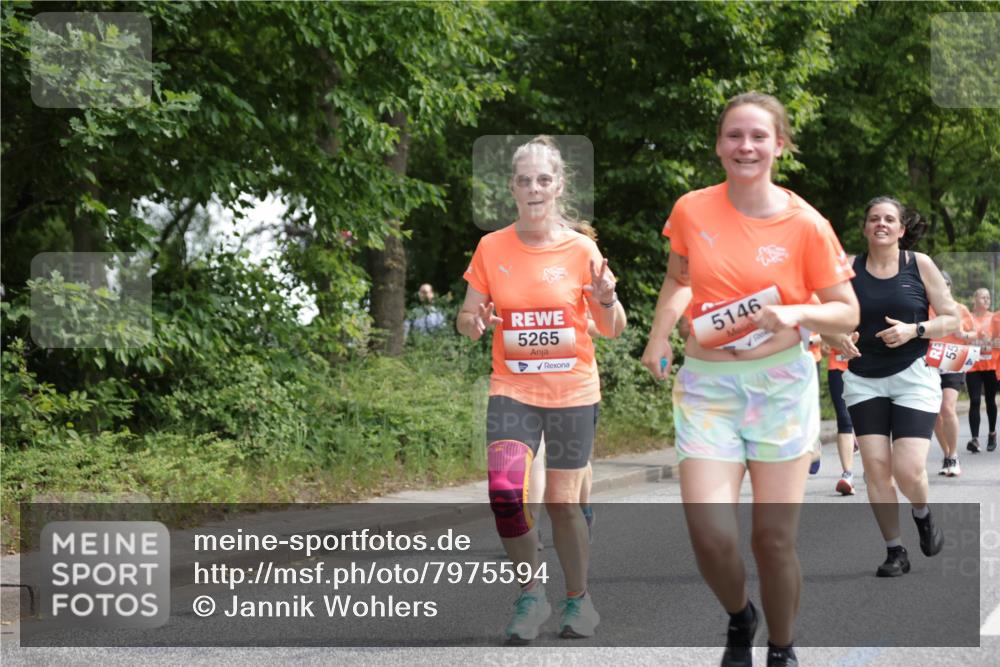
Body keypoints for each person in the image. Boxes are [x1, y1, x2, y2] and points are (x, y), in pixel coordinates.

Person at [642, 92, 859, 667]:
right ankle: (741, 615)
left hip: (779, 388)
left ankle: (782, 649)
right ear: (719, 145)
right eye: (734, 136)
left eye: (759, 136)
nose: (746, 146)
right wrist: (660, 334)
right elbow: (679, 280)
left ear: (779, 146)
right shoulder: (691, 209)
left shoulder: (806, 224)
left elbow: (847, 311)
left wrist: (798, 313)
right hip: (708, 386)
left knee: (772, 540)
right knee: (711, 535)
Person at [457, 135, 626, 643]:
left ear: (558, 186)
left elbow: (613, 328)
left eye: (544, 180)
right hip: (512, 389)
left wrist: (607, 299)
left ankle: (579, 600)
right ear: (512, 188)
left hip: (572, 392)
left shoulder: (581, 249)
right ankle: (530, 597)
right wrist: (476, 320)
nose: (534, 188)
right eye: (524, 180)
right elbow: (466, 316)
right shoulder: (491, 246)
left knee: (561, 502)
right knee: (505, 493)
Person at [825, 196, 959, 580]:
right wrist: (837, 338)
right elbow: (822, 321)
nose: (880, 224)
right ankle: (895, 551)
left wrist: (914, 330)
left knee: (908, 468)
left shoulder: (920, 264)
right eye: (873, 219)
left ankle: (922, 513)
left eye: (889, 219)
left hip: (912, 375)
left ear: (901, 229)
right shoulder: (847, 269)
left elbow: (950, 318)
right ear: (865, 228)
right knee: (876, 471)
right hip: (863, 378)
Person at [929, 272, 975, 473]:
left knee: (947, 407)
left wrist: (964, 334)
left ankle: (954, 455)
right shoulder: (927, 308)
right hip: (931, 359)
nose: (942, 288)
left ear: (950, 286)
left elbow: (974, 333)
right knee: (935, 415)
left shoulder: (960, 309)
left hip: (953, 358)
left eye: (945, 284)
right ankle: (947, 454)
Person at [822, 341, 859, 494]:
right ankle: (847, 474)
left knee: (866, 418)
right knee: (844, 419)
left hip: (865, 368)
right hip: (837, 366)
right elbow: (824, 348)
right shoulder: (832, 316)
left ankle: (875, 468)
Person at [966, 287, 997, 452]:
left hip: (991, 365)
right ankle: (975, 439)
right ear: (974, 299)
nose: (986, 299)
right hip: (973, 366)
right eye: (982, 297)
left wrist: (990, 341)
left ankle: (992, 433)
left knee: (990, 400)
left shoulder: (994, 319)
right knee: (975, 401)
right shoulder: (968, 319)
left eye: (988, 297)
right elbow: (960, 339)